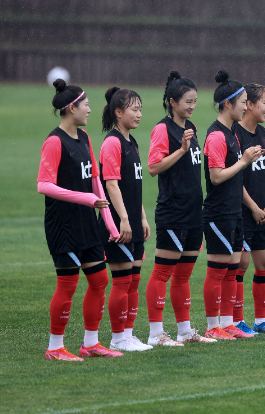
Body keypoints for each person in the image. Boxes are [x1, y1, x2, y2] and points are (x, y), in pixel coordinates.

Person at [38, 79, 122, 361]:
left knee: (99, 280)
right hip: (63, 224)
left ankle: (91, 343)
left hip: (87, 223)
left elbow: (96, 182)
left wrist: (109, 224)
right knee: (68, 284)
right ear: (71, 108)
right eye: (85, 105)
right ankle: (55, 347)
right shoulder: (54, 141)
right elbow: (44, 185)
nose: (89, 109)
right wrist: (85, 199)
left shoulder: (84, 138)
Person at [146, 71, 215, 346]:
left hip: (193, 211)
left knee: (184, 273)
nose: (191, 106)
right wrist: (181, 150)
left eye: (195, 101)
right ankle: (155, 333)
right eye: (187, 101)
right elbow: (153, 167)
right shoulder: (163, 129)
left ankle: (185, 331)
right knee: (163, 272)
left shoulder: (192, 127)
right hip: (172, 211)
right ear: (172, 102)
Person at [202, 70, 264, 340]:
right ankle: (211, 325)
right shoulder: (216, 136)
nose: (245, 107)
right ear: (228, 104)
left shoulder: (232, 135)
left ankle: (227, 323)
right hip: (218, 214)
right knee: (217, 272)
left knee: (230, 272)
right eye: (242, 103)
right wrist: (243, 162)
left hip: (233, 213)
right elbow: (216, 177)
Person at [99, 87, 153, 351]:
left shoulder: (132, 142)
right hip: (118, 223)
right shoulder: (112, 143)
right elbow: (111, 185)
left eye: (140, 108)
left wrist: (141, 217)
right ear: (118, 112)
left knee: (133, 279)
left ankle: (128, 334)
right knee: (121, 281)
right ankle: (117, 337)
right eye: (134, 109)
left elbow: (134, 187)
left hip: (132, 221)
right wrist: (123, 219)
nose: (139, 114)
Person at [232, 83, 265, 334]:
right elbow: (234, 177)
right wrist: (253, 206)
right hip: (242, 211)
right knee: (240, 266)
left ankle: (261, 321)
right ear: (250, 105)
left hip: (263, 212)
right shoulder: (233, 135)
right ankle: (236, 321)